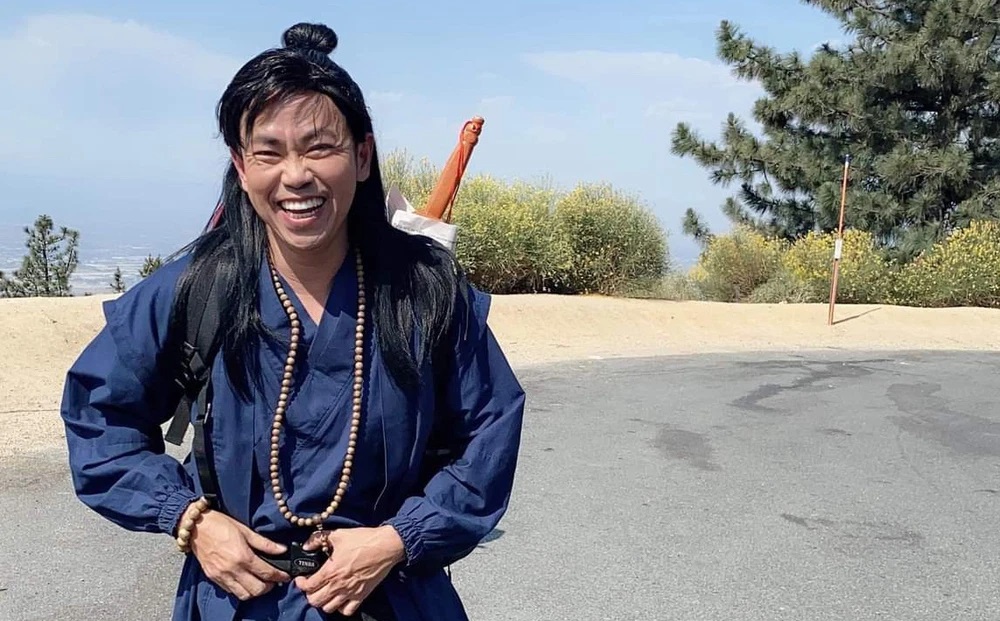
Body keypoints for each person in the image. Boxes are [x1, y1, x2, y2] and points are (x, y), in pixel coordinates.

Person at [59, 22, 526, 621]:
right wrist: (189, 519)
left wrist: (399, 538)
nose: (296, 174)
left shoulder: (425, 292)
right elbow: (99, 416)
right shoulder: (197, 289)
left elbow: (488, 432)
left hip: (394, 601)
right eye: (269, 152)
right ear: (241, 165)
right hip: (237, 604)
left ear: (362, 156)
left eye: (319, 147)